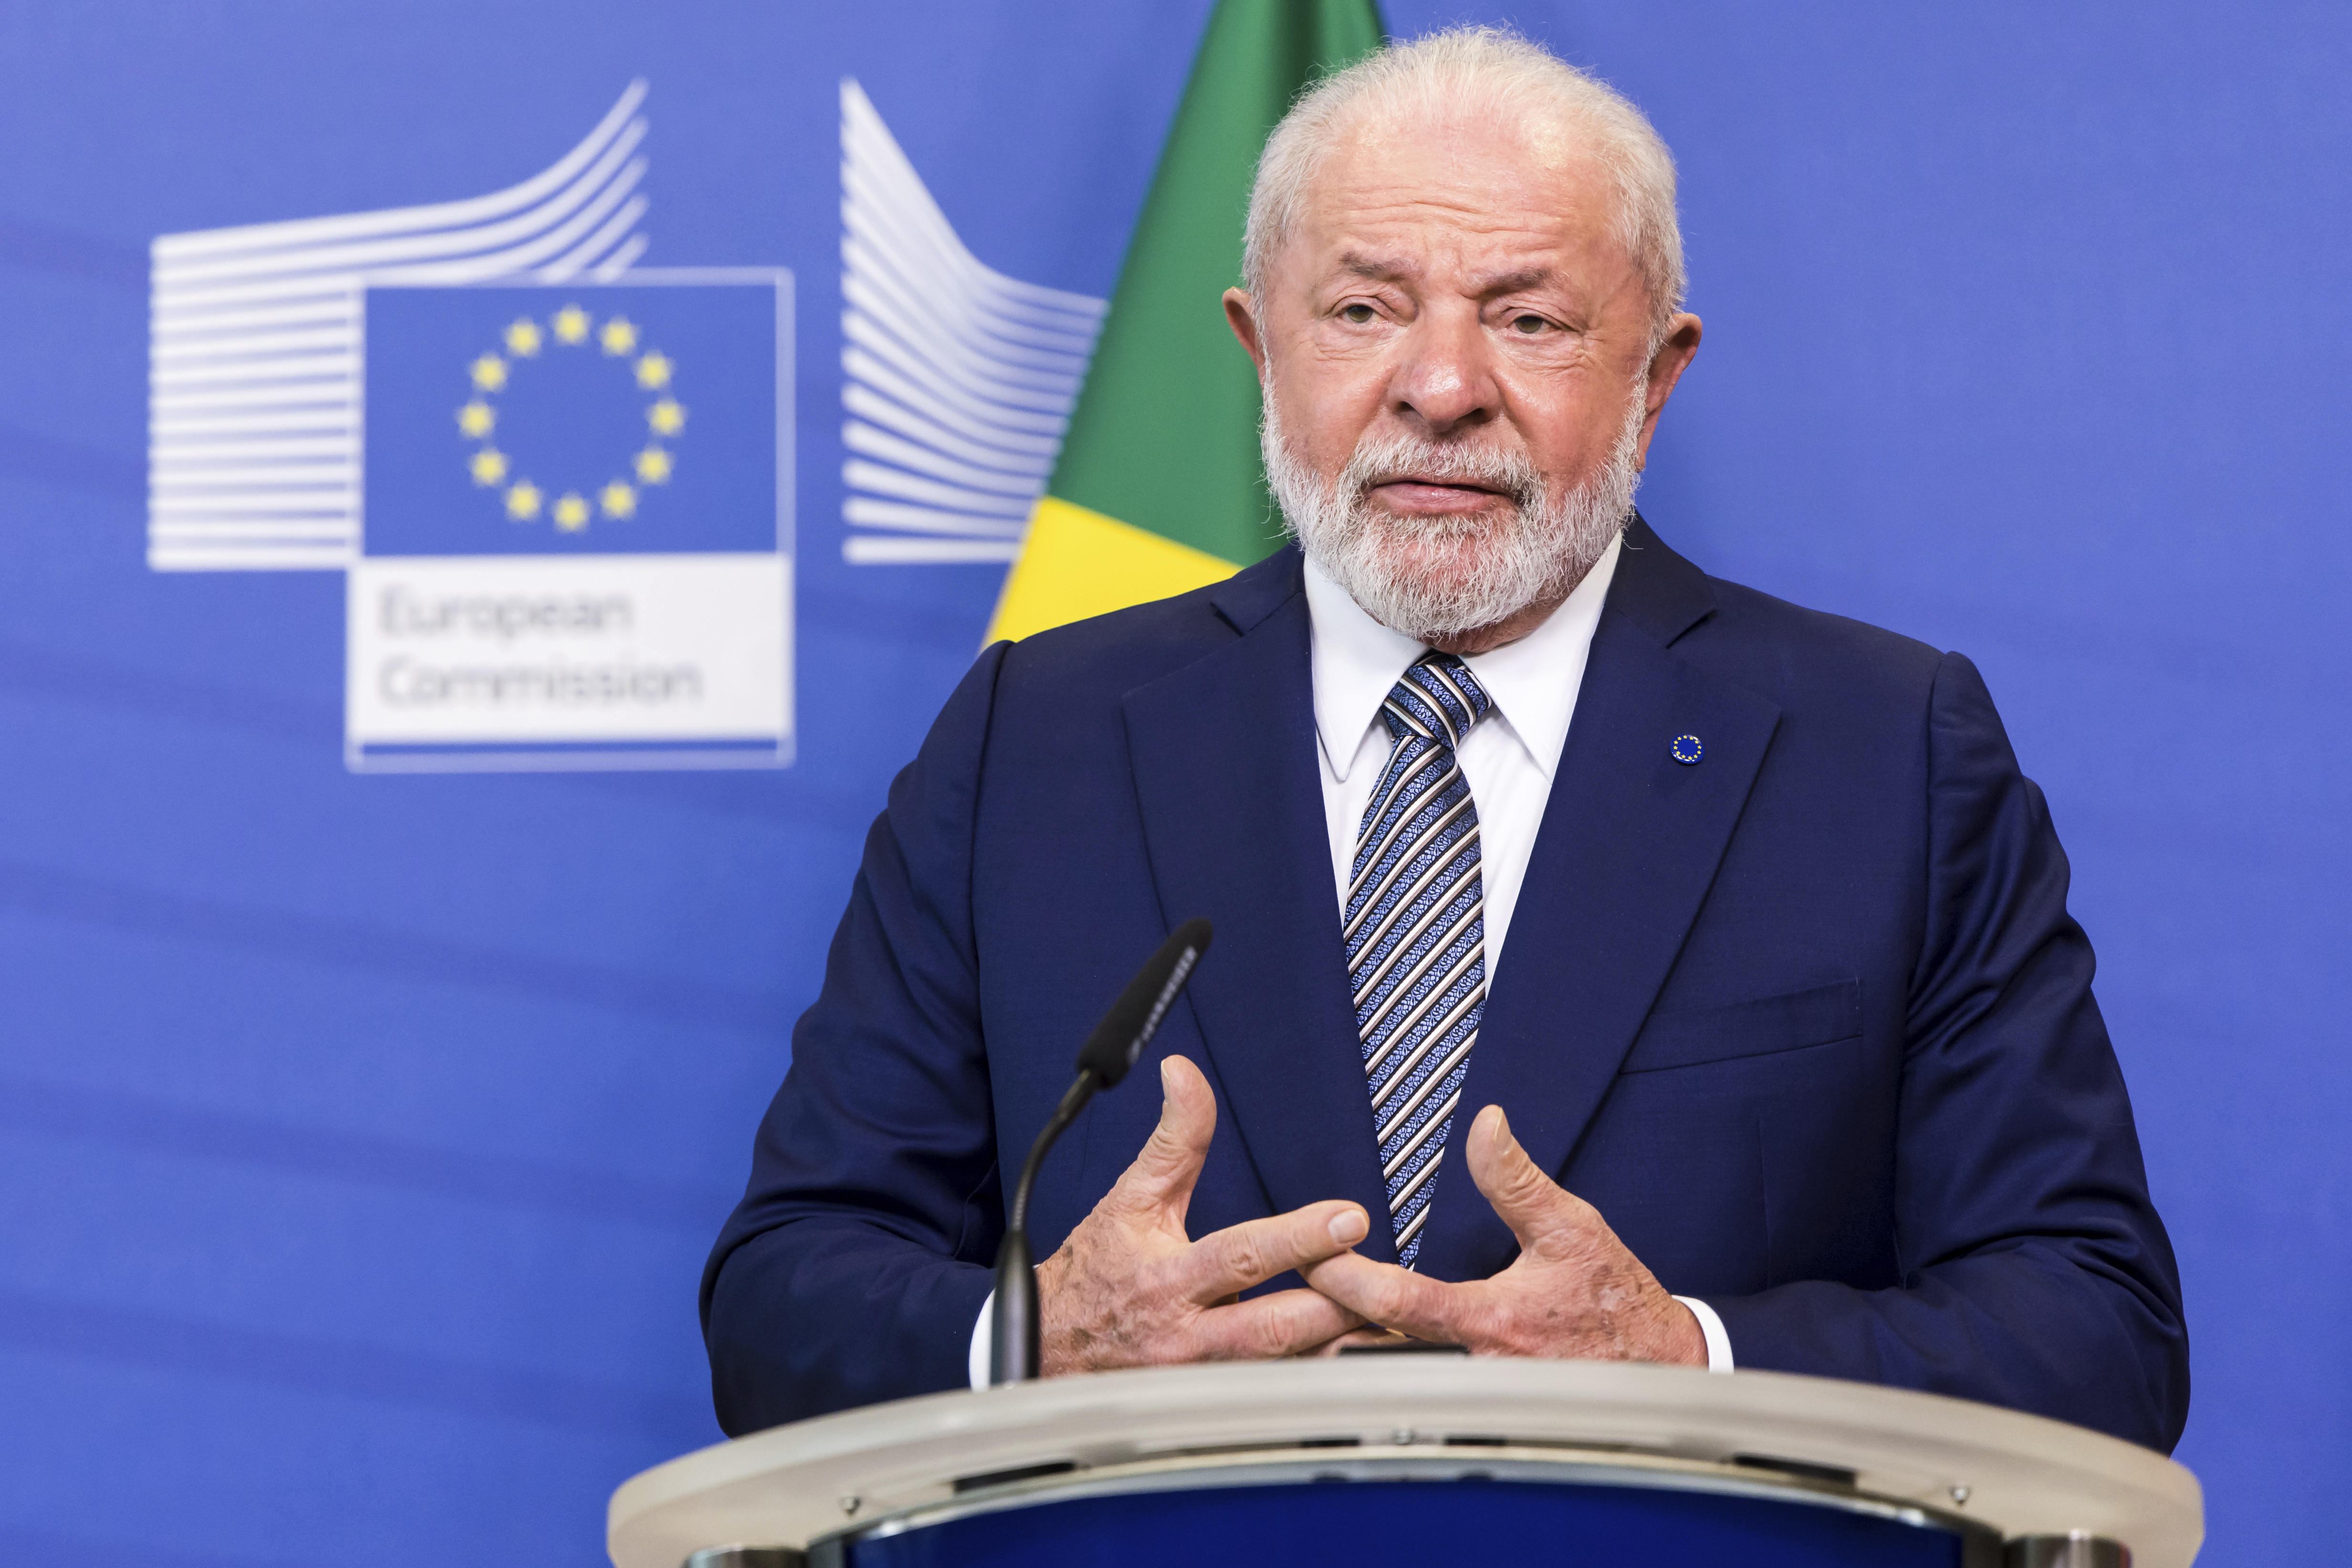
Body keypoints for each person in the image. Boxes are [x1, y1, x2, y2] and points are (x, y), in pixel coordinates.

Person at [702, 27, 2188, 1450]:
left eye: (1529, 320)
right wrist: (1035, 1340)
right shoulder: (1034, 741)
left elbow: (2094, 1331)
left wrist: (1688, 1360)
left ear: (1656, 375)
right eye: (1362, 311)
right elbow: (781, 1296)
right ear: (1258, 349)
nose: (1440, 388)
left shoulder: (1884, 755)